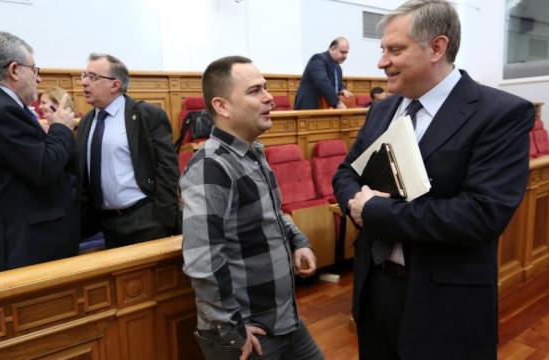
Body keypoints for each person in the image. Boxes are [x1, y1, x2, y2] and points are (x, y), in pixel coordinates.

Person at [332, 1, 535, 359]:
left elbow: (481, 214)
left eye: (395, 50)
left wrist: (375, 210)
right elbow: (347, 172)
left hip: (445, 302)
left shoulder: (501, 113)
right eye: (383, 50)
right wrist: (355, 202)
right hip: (375, 288)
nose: (381, 62)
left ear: (437, 48)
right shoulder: (382, 109)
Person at [181, 56, 323, 360]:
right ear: (222, 106)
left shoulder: (253, 153)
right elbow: (203, 261)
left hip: (285, 321)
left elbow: (272, 213)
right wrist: (232, 329)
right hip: (247, 334)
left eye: (267, 88)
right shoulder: (210, 165)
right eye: (255, 90)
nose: (269, 97)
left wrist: (298, 241)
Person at [0, 31, 79, 274]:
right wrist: (60, 128)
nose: (38, 78)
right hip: (18, 246)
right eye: (34, 69)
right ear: (14, 70)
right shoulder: (2, 110)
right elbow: (44, 168)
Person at [77, 53, 179, 248]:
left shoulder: (146, 115)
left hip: (145, 220)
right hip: (104, 225)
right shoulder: (86, 123)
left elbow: (167, 168)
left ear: (115, 85)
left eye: (93, 77)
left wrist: (163, 217)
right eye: (84, 75)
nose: (83, 82)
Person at [294, 37, 353, 110]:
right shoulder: (318, 59)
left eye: (346, 53)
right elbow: (323, 82)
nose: (345, 56)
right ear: (332, 48)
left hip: (326, 107)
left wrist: (342, 89)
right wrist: (337, 103)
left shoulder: (338, 68)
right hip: (310, 106)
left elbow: (337, 85)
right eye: (342, 52)